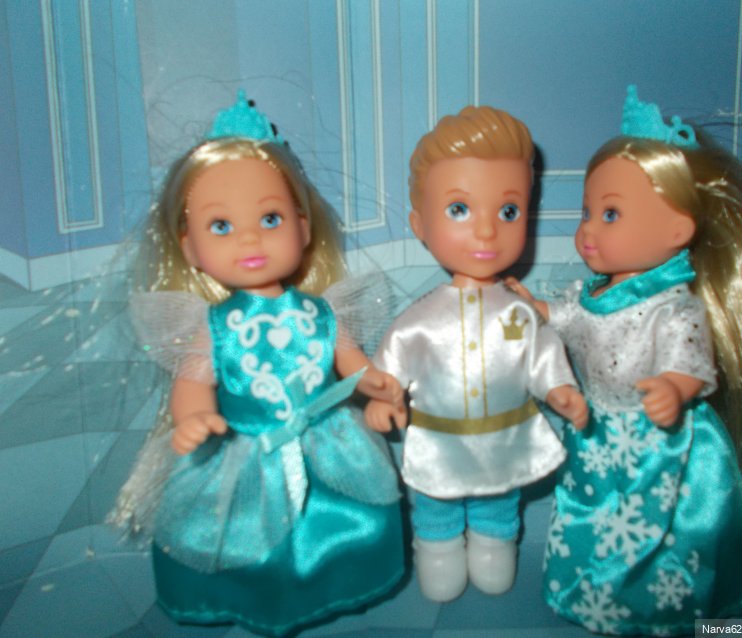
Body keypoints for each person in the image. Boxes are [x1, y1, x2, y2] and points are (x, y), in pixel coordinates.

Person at [509, 85, 742, 635]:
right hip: (598, 435)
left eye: (610, 213)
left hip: (662, 447)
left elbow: (690, 361)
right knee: (592, 516)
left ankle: (662, 607)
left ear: (677, 230)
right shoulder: (594, 293)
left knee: (660, 531)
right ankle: (591, 594)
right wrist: (533, 306)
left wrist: (675, 388)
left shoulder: (675, 308)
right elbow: (567, 317)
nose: (587, 229)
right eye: (588, 211)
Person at [109, 91, 405, 636]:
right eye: (221, 226)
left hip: (328, 444)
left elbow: (356, 367)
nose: (250, 237)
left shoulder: (324, 313)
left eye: (270, 218)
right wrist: (194, 418)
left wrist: (382, 391)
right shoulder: (213, 324)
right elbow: (192, 383)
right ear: (190, 249)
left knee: (345, 528)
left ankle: (328, 594)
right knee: (244, 543)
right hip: (245, 452)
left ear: (303, 227)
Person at [365, 105, 588, 603]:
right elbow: (390, 365)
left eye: (508, 212)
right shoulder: (419, 319)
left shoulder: (519, 312)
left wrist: (560, 389)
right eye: (459, 210)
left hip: (504, 440)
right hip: (438, 442)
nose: (487, 231)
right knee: (434, 504)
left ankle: (494, 543)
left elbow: (542, 356)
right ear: (419, 224)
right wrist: (383, 397)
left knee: (499, 500)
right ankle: (437, 547)